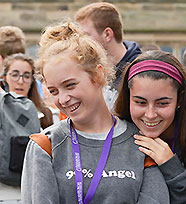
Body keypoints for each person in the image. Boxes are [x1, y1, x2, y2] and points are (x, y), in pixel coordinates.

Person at [21, 21, 169, 203]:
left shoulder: (140, 143)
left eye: (70, 85)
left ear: (97, 75)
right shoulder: (46, 146)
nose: (63, 98)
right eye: (54, 91)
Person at [114, 50, 186, 203]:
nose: (150, 114)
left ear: (179, 99)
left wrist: (172, 169)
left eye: (162, 103)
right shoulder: (113, 138)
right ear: (128, 98)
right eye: (140, 102)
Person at [75, 2, 142, 108]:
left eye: (86, 35)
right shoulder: (90, 70)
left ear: (107, 34)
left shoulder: (139, 74)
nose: (79, 42)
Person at [3, 53, 53, 129]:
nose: (20, 81)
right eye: (14, 75)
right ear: (4, 78)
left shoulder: (45, 114)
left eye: (26, 76)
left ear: (32, 81)